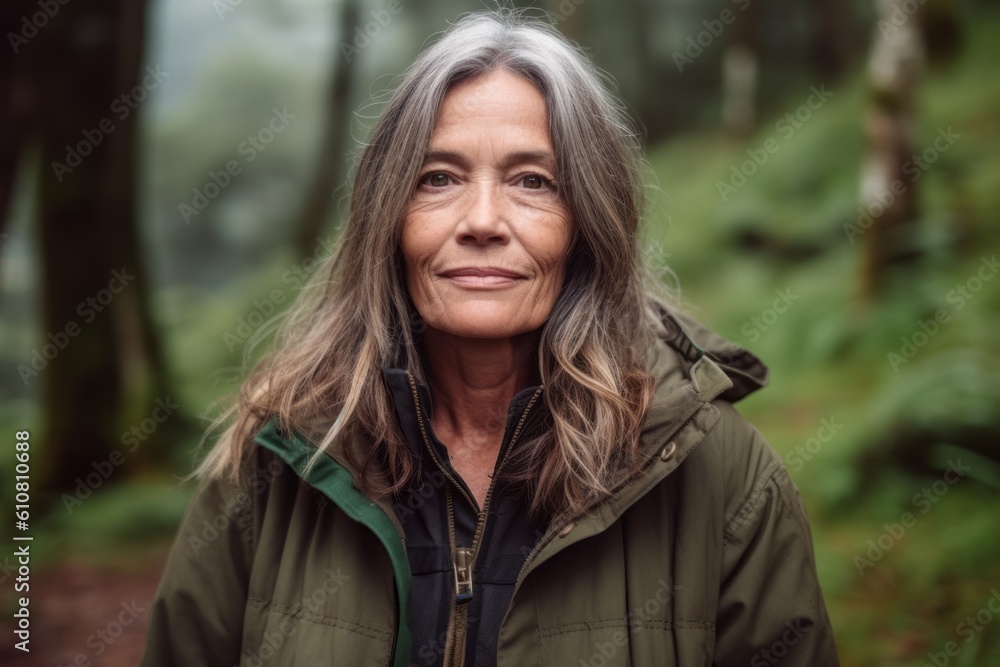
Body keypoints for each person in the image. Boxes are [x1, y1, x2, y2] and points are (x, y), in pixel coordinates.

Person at [141, 10, 839, 667]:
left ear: (587, 223)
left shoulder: (719, 473)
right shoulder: (281, 459)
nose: (482, 219)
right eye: (438, 178)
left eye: (533, 181)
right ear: (388, 216)